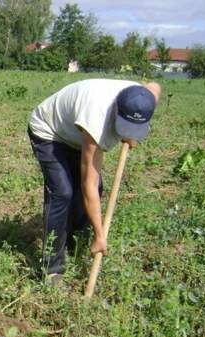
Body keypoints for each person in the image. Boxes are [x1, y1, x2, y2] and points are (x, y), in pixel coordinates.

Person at [28, 79, 161, 282]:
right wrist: (100, 235)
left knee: (95, 189)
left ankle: (75, 240)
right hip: (49, 130)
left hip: (75, 131)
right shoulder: (96, 119)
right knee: (63, 192)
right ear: (116, 110)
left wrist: (131, 132)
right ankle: (51, 267)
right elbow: (87, 182)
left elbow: (155, 87)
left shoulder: (143, 98)